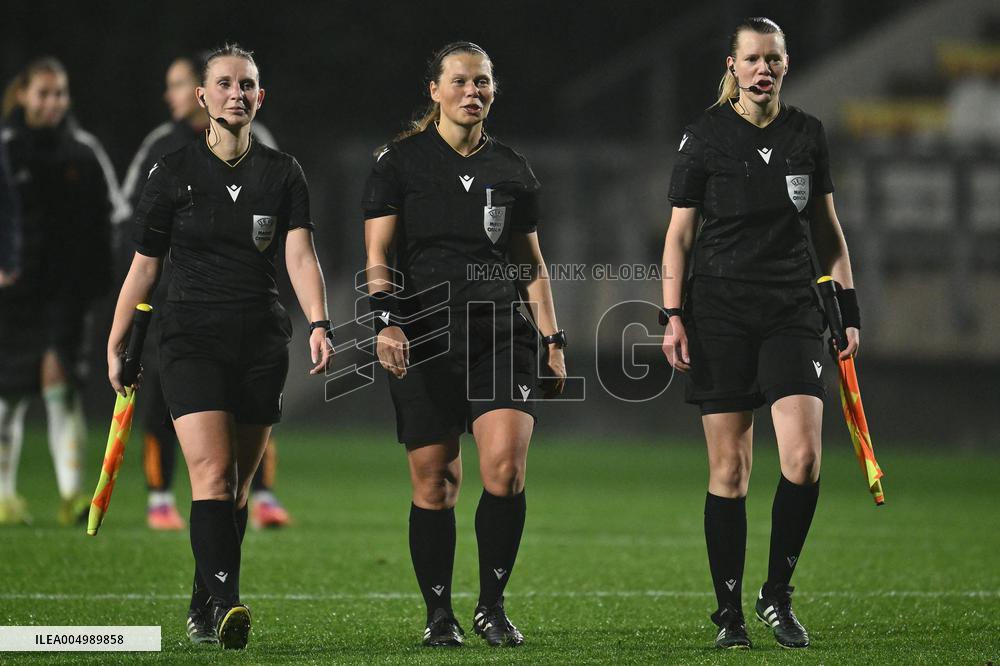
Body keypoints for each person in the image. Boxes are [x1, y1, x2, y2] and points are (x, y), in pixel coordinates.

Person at [108, 43, 331, 649]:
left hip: (261, 340)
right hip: (190, 339)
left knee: (235, 485)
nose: (237, 93)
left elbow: (299, 254)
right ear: (202, 97)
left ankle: (203, 602)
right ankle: (230, 604)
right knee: (210, 473)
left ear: (261, 96)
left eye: (248, 84)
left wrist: (318, 322)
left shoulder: (283, 173)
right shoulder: (172, 170)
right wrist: (118, 337)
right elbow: (144, 267)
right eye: (225, 84)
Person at [660, 17, 860, 650]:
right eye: (752, 59)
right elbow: (680, 234)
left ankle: (777, 594)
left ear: (785, 64)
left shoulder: (807, 133)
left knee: (802, 459)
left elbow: (827, 230)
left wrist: (848, 311)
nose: (763, 68)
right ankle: (730, 615)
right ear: (732, 65)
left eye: (773, 58)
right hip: (718, 311)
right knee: (732, 469)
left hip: (792, 311)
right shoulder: (704, 135)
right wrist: (671, 314)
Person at [363, 41, 567, 648]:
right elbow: (377, 256)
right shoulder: (398, 163)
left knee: (503, 471)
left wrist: (553, 339)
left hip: (501, 336)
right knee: (436, 484)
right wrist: (386, 322)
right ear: (435, 90)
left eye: (482, 82)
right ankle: (438, 615)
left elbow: (531, 263)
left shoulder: (512, 168)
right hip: (423, 336)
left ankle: (491, 606)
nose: (472, 92)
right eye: (459, 81)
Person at [120, 52, 290, 532]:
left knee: (252, 407)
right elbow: (135, 226)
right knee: (164, 400)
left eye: (177, 84)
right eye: (175, 85)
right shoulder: (165, 152)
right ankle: (159, 497)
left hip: (246, 304)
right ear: (205, 92)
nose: (170, 95)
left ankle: (263, 494)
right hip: (178, 304)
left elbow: (286, 230)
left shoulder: (267, 152)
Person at [0, 57, 124, 526]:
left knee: (61, 384)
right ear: (24, 96)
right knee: (8, 394)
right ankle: (5, 497)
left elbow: (111, 217)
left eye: (60, 93)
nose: (52, 102)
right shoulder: (6, 148)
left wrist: (95, 282)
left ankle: (72, 495)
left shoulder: (83, 151)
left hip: (65, 295)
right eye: (43, 93)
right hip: (13, 295)